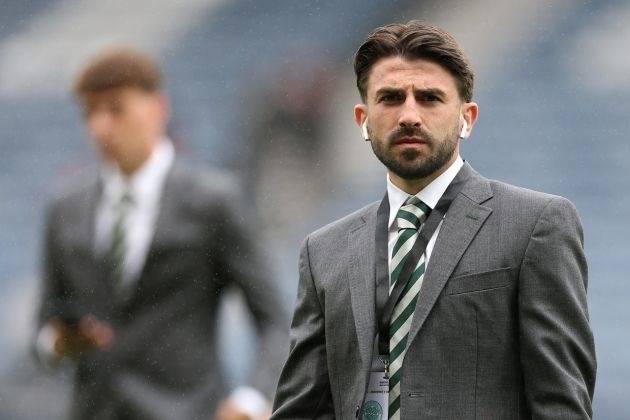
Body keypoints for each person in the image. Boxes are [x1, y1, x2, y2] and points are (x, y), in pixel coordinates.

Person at [271, 21, 596, 419]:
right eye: (390, 98)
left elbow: (561, 407)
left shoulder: (535, 225)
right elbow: (302, 410)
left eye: (429, 98)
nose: (409, 115)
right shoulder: (323, 251)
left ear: (467, 118)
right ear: (362, 120)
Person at [37, 47, 287, 420]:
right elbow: (43, 330)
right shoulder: (64, 210)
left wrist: (251, 399)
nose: (100, 127)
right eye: (89, 113)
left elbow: (275, 322)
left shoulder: (213, 202)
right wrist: (58, 343)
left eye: (115, 109)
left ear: (157, 108)